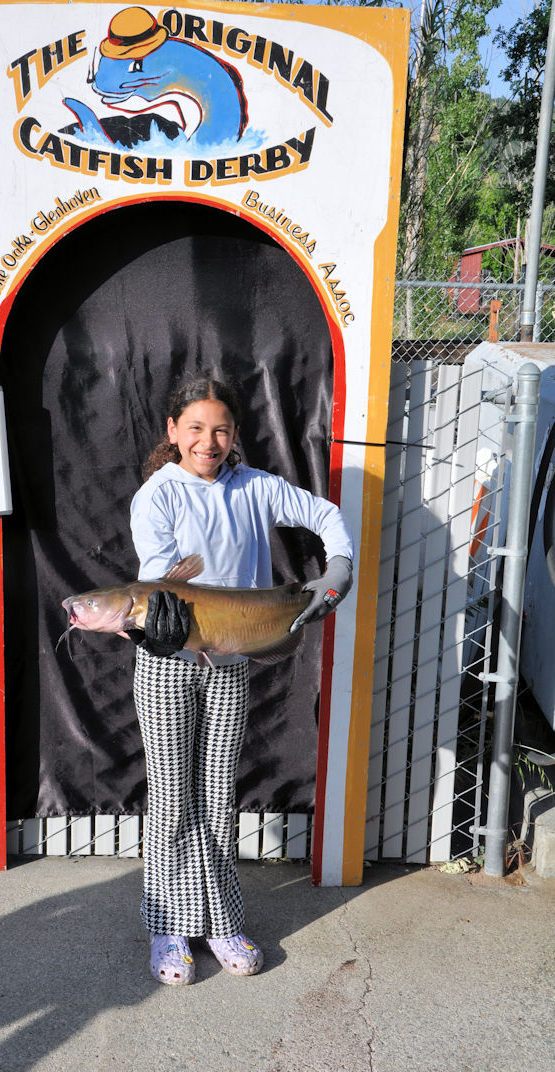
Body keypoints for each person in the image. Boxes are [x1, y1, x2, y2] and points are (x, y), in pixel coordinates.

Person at [129, 375, 354, 985]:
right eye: (195, 428)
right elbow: (160, 578)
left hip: (231, 664)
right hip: (168, 664)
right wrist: (160, 620)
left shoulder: (257, 487)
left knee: (218, 793)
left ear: (234, 435)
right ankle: (169, 927)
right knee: (171, 795)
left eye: (221, 430)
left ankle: (221, 920)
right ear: (173, 431)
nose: (208, 441)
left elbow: (325, 513)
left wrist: (338, 565)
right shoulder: (157, 495)